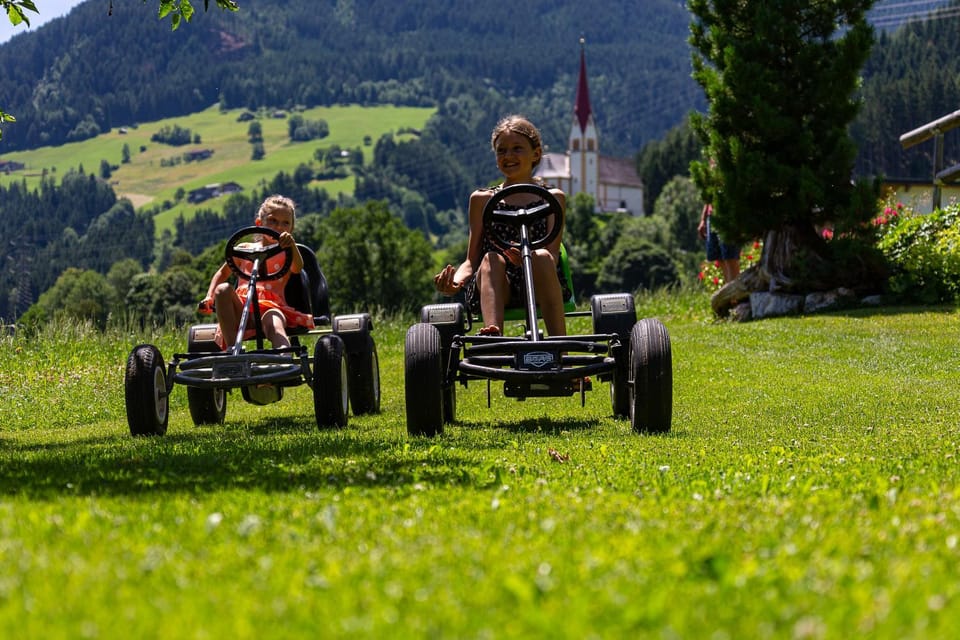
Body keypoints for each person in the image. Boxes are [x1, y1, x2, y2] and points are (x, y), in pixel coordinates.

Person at [433, 115, 569, 337]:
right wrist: (455, 283)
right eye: (501, 150)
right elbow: (471, 260)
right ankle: (493, 334)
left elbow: (553, 253)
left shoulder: (552, 198)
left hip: (537, 280)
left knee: (542, 256)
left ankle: (561, 349)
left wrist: (528, 255)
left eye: (517, 149)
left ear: (536, 154)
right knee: (491, 259)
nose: (508, 156)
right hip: (496, 283)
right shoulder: (482, 199)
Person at [199, 194, 315, 350]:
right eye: (273, 221)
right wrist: (209, 296)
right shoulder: (244, 250)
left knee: (274, 325)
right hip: (241, 308)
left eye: (285, 223)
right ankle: (233, 351)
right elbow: (222, 274)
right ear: (260, 223)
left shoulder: (287, 253)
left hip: (271, 308)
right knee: (223, 290)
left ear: (291, 229)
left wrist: (292, 245)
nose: (279, 227)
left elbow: (297, 267)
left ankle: (284, 357)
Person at [698, 202, 740, 283]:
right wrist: (703, 218)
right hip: (712, 216)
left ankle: (736, 293)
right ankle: (730, 291)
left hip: (728, 213)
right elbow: (708, 194)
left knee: (730, 257)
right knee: (720, 258)